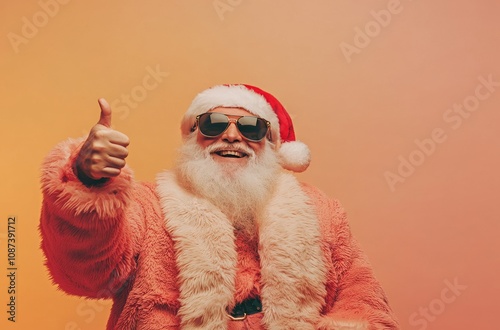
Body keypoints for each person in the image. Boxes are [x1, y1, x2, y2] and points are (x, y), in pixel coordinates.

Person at [39, 84, 399, 330]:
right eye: (212, 124)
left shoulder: (322, 211)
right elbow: (87, 273)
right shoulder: (149, 206)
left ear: (273, 145)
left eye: (251, 128)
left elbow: (363, 300)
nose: (230, 136)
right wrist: (88, 182)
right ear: (193, 137)